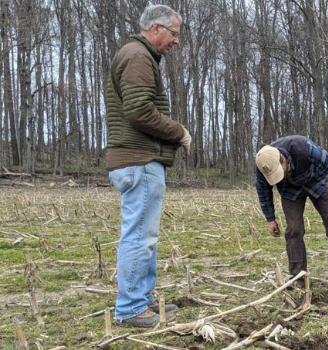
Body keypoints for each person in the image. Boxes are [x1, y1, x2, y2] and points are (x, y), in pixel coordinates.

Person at [105, 4, 189, 327]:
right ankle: (130, 308)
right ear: (156, 28)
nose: (176, 41)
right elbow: (139, 111)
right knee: (139, 234)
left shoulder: (139, 56)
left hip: (140, 159)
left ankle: (142, 299)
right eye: (174, 34)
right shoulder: (138, 57)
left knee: (146, 234)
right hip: (138, 159)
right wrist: (178, 132)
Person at [255, 135, 328, 285]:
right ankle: (298, 277)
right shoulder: (262, 165)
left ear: (282, 158)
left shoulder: (304, 147)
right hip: (289, 191)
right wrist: (270, 218)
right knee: (294, 230)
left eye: (279, 172)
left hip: (318, 182)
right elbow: (263, 191)